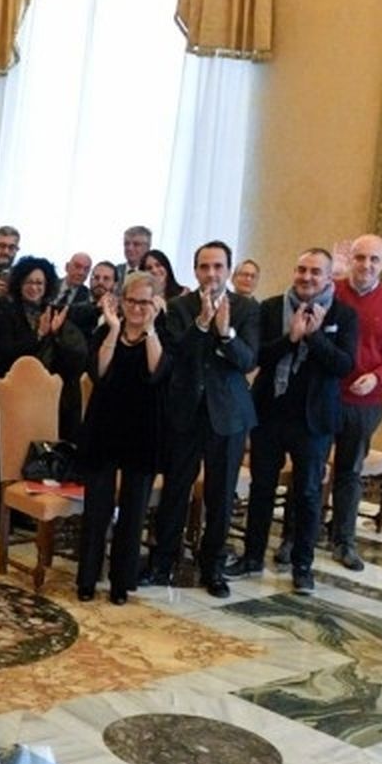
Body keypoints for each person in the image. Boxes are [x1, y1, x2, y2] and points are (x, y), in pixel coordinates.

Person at [228, 249, 357, 592]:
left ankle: (302, 565)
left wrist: (314, 337)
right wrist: (292, 339)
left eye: (315, 272)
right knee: (261, 489)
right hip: (269, 413)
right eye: (301, 269)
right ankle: (252, 557)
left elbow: (344, 365)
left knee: (309, 494)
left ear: (328, 278)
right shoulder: (271, 308)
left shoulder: (343, 314)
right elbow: (257, 357)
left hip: (313, 420)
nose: (306, 277)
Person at [143, 241, 259, 597]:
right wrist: (202, 324)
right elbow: (176, 355)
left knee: (220, 495)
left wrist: (225, 333)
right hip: (185, 411)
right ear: (195, 271)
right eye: (204, 267)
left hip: (228, 413)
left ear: (228, 269)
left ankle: (213, 567)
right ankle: (163, 561)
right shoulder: (180, 307)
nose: (211, 273)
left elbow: (248, 360)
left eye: (218, 266)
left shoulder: (246, 308)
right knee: (176, 489)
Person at [75, 273, 168, 604]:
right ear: (122, 301)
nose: (137, 308)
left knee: (133, 511)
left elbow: (157, 373)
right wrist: (114, 329)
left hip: (142, 430)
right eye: (131, 301)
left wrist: (151, 329)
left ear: (155, 303)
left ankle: (120, 583)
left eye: (144, 302)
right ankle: (87, 579)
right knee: (96, 510)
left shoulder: (162, 334)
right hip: (104, 426)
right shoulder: (105, 331)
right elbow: (98, 373)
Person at [329, 235, 382, 569]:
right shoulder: (331, 290)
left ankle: (344, 542)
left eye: (374, 259)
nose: (366, 265)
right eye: (360, 257)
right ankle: (296, 537)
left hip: (365, 403)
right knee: (310, 469)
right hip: (323, 398)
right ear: (350, 259)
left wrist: (378, 377)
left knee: (349, 472)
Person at [0, 255, 88, 440]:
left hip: (46, 391)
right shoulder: (6, 308)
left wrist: (56, 334)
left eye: (39, 283)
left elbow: (74, 356)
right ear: (19, 283)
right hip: (15, 388)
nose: (34, 287)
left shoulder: (52, 311)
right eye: (29, 282)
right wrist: (38, 335)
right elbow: (5, 351)